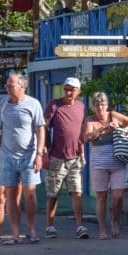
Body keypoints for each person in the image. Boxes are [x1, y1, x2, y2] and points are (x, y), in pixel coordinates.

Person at [0, 72, 46, 245]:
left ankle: (31, 228)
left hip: (29, 156)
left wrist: (39, 154)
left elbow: (40, 129)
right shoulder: (3, 104)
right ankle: (15, 233)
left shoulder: (33, 104)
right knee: (10, 195)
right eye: (6, 86)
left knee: (30, 194)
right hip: (7, 156)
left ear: (22, 86)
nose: (7, 88)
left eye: (11, 85)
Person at [81, 92, 128, 240]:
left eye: (103, 104)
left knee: (118, 195)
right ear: (93, 106)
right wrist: (103, 128)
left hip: (117, 161)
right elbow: (86, 138)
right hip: (99, 163)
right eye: (97, 104)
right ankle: (102, 229)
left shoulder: (113, 115)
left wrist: (123, 130)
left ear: (107, 105)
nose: (100, 107)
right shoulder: (90, 120)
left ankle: (114, 221)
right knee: (101, 197)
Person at [43, 77, 89, 239]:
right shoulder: (54, 105)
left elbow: (81, 132)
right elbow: (43, 128)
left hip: (75, 157)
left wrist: (82, 152)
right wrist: (44, 151)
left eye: (72, 89)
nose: (68, 92)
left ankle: (80, 226)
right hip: (56, 156)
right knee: (53, 194)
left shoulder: (81, 107)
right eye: (66, 89)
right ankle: (50, 226)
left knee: (77, 192)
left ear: (78, 91)